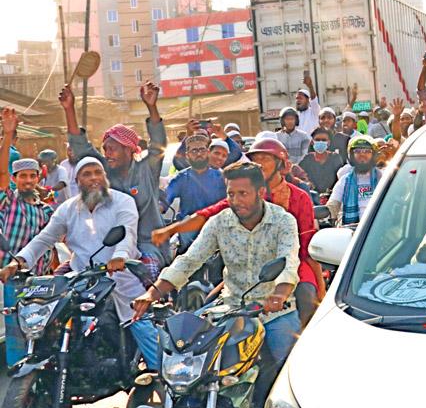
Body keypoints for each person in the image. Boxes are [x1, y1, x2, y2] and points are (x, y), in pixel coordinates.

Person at [132, 162, 300, 363]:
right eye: (231, 194)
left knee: (290, 366)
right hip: (231, 307)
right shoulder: (219, 222)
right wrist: (152, 294)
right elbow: (189, 260)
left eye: (243, 194)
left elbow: (288, 262)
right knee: (187, 352)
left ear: (261, 192)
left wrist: (279, 295)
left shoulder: (283, 220)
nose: (236, 201)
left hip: (275, 311)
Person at [6, 157, 163, 369]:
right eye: (86, 174)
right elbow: (45, 238)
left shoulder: (123, 201)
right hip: (82, 278)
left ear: (105, 176)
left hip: (121, 276)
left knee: (139, 323)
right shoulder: (68, 208)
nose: (93, 178)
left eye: (98, 172)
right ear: (77, 180)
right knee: (56, 317)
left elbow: (127, 232)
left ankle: (163, 380)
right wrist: (18, 262)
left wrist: (120, 256)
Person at [154, 139, 324, 327]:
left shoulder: (297, 199)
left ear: (280, 163)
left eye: (265, 158)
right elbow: (204, 219)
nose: (259, 163)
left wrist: (307, 288)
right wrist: (171, 230)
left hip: (293, 264)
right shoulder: (238, 199)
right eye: (255, 159)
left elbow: (299, 253)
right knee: (204, 314)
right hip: (241, 281)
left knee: (308, 299)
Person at [60, 82, 169, 278]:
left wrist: (152, 106)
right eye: (105, 149)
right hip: (106, 247)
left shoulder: (147, 169)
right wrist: (69, 109)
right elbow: (81, 146)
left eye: (112, 148)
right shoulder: (103, 172)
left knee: (148, 274)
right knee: (63, 278)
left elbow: (159, 143)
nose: (107, 154)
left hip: (146, 244)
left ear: (128, 149)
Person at [0, 109, 56, 366]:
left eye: (32, 176)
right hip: (10, 278)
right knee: (14, 332)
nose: (28, 181)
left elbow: (50, 245)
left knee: (40, 333)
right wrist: (8, 134)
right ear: (14, 179)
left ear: (37, 178)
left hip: (38, 281)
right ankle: (16, 378)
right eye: (22, 176)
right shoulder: (8, 201)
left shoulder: (45, 209)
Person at [162, 133, 227, 251]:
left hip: (216, 230)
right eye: (194, 151)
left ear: (208, 152)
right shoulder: (180, 178)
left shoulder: (221, 177)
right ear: (187, 156)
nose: (198, 154)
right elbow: (164, 201)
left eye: (202, 150)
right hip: (188, 234)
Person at [327, 137, 382, 224]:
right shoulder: (344, 181)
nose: (362, 155)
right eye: (357, 151)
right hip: (351, 231)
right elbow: (333, 205)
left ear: (374, 155)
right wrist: (327, 213)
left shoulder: (383, 178)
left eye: (367, 151)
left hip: (378, 228)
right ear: (351, 155)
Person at [299, 128, 344, 195]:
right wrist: (306, 182)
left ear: (328, 143)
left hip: (332, 195)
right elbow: (298, 176)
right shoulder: (307, 159)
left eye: (324, 140)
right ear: (312, 142)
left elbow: (341, 178)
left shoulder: (335, 158)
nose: (320, 142)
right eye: (317, 140)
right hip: (312, 196)